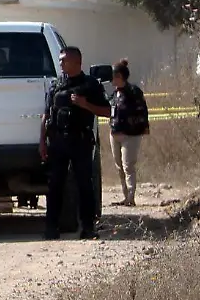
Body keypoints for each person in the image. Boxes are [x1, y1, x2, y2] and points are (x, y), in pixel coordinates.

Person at [41, 45, 110, 239]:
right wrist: (42, 142)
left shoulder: (90, 85)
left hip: (80, 141)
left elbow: (107, 111)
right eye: (60, 60)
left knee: (84, 185)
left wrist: (84, 104)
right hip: (58, 142)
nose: (60, 63)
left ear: (76, 62)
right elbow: (46, 115)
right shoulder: (56, 85)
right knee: (55, 185)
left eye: (64, 60)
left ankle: (88, 227)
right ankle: (51, 228)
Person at [107, 58, 150, 207]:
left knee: (128, 166)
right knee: (119, 166)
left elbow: (143, 110)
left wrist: (143, 126)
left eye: (112, 75)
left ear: (119, 76)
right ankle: (125, 196)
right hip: (115, 133)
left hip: (130, 135)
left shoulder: (133, 92)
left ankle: (131, 196)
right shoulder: (114, 94)